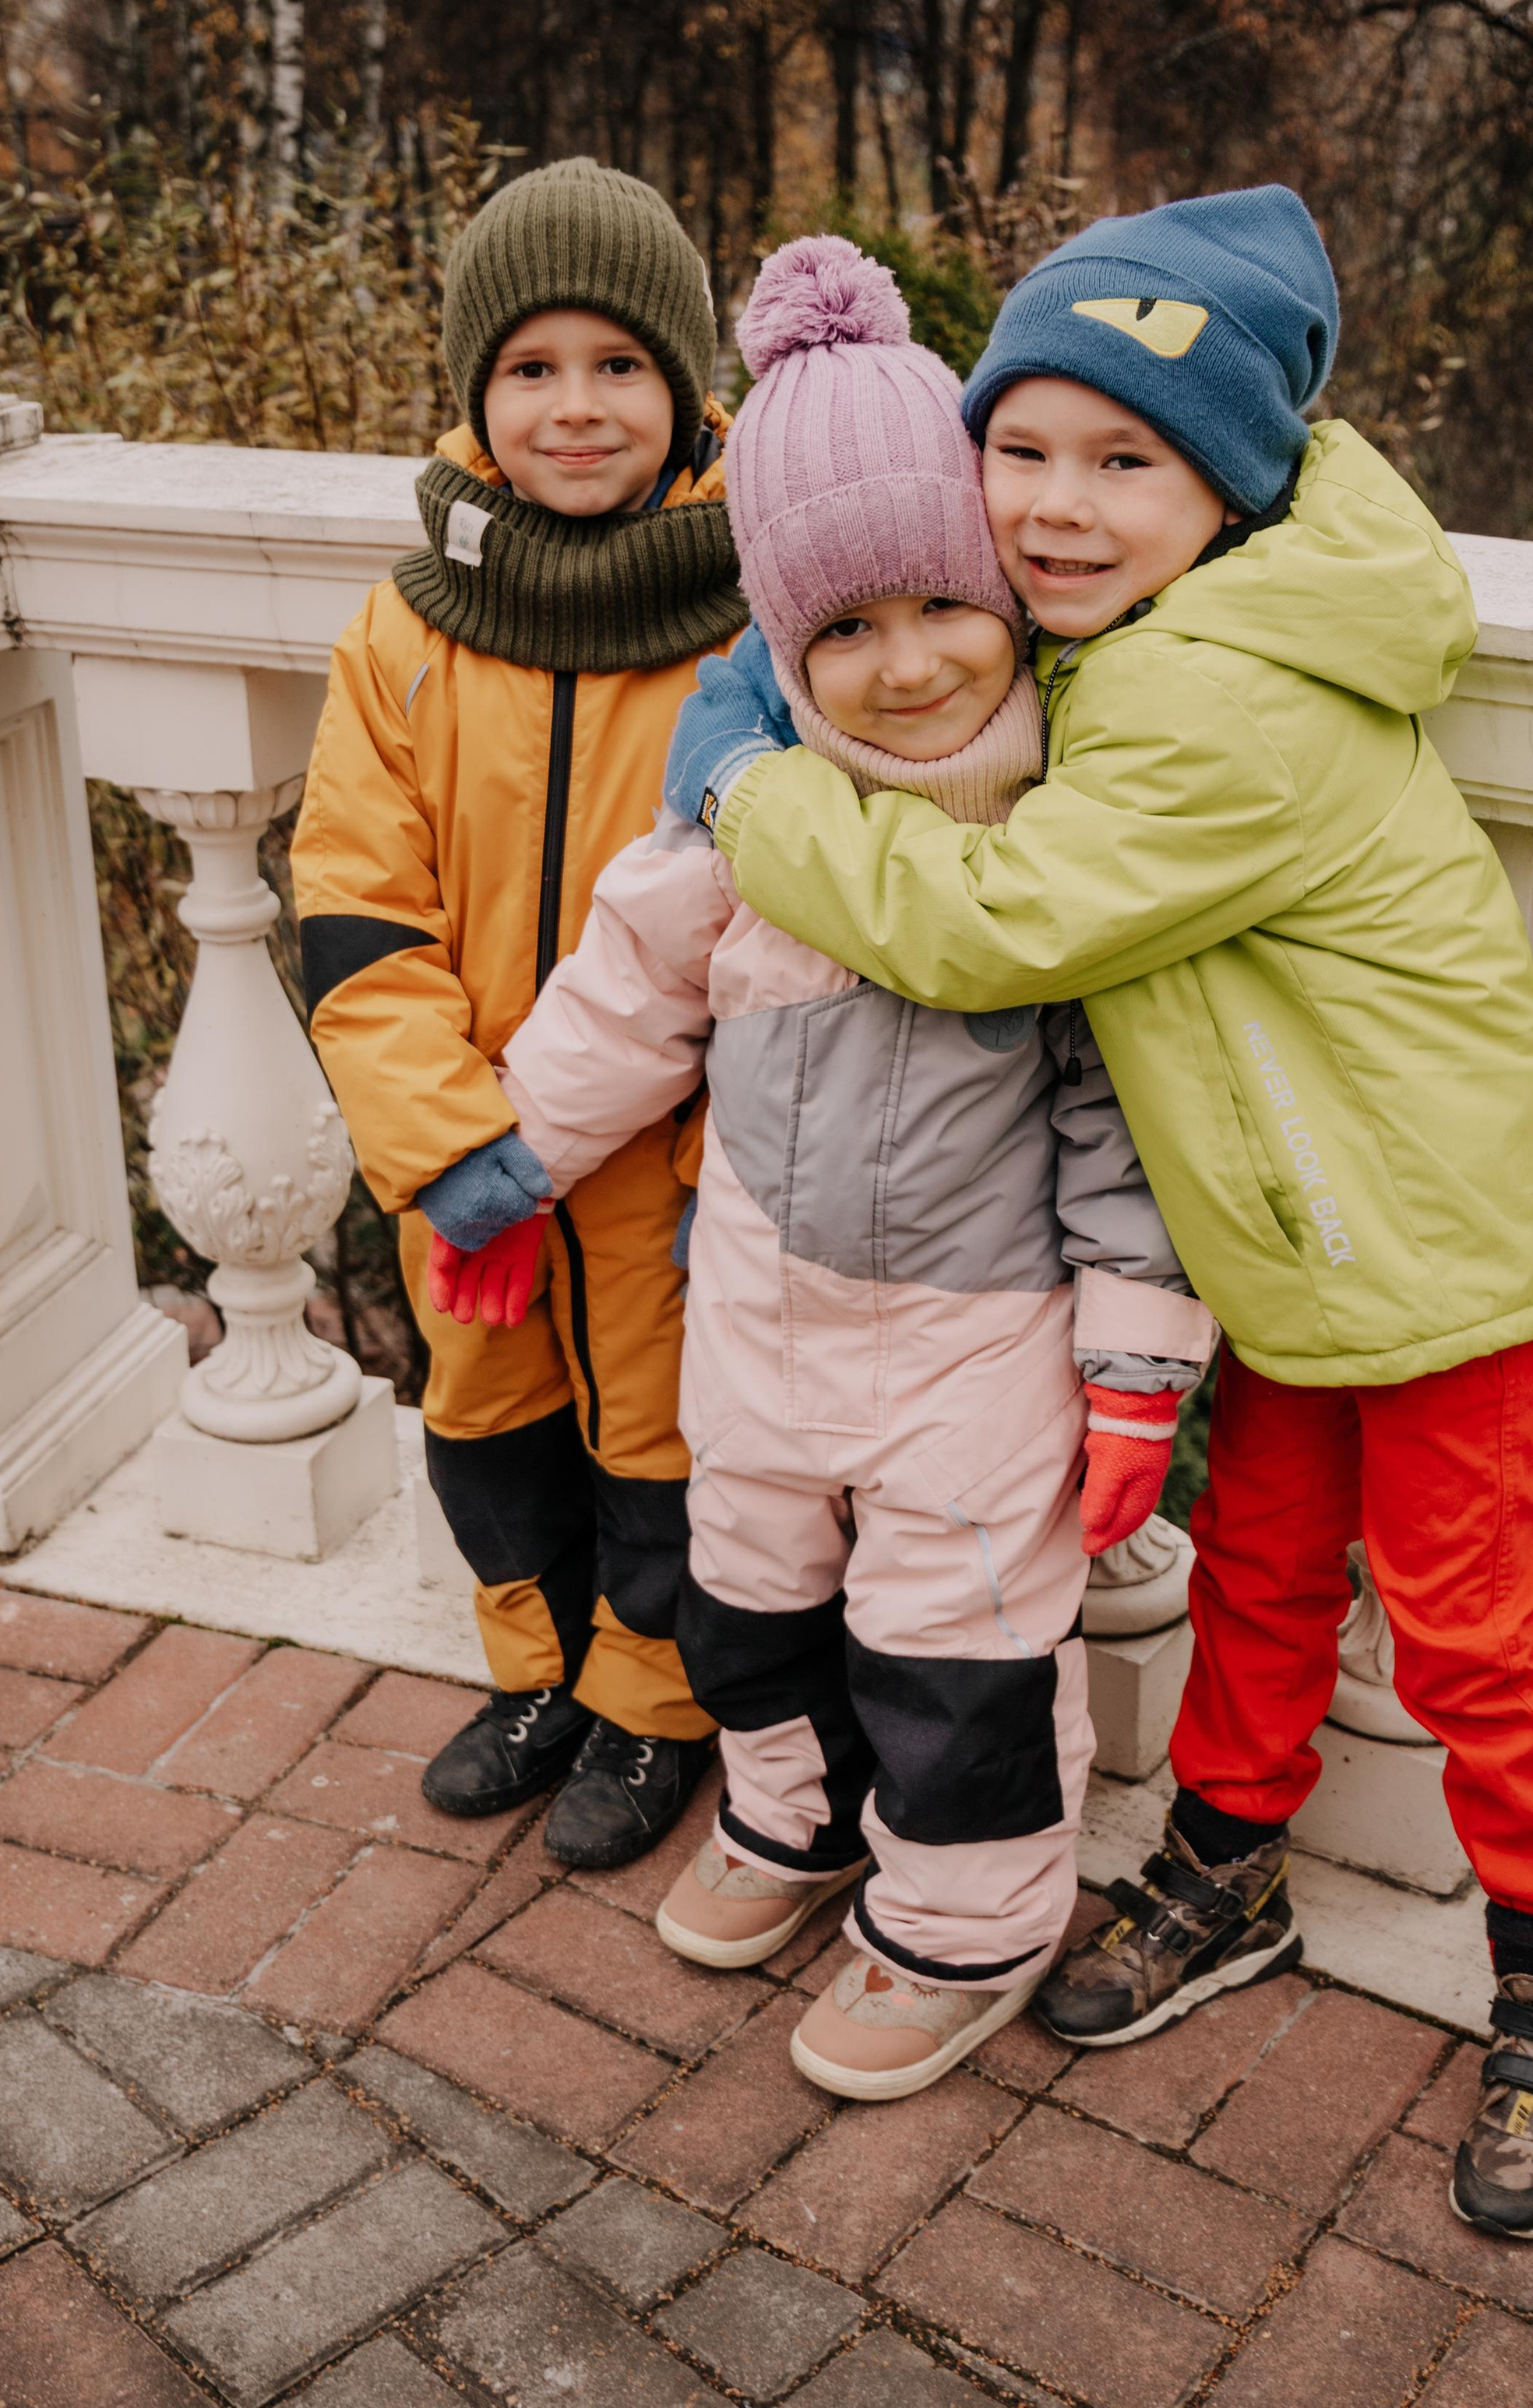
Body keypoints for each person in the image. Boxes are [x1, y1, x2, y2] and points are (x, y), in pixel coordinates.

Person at [667, 188, 1533, 2241]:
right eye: (1019, 449)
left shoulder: (1224, 700)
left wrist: (753, 781)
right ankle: (1230, 1862)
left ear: (1236, 492)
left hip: (1439, 1266)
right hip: (1296, 1257)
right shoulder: (1153, 642)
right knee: (1265, 1579)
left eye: (1130, 463)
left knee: (1468, 1636)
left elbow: (994, 921)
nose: (1056, 508)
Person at [491, 237, 1213, 2100]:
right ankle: (797, 1820)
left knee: (955, 1645)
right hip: (753, 1309)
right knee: (750, 1596)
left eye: (936, 610)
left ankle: (963, 1920)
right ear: (776, 644)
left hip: (970, 1342)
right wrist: (503, 1167)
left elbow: (1127, 1119)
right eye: (837, 633)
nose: (900, 671)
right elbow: (625, 990)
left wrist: (1136, 1363)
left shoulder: (1062, 845)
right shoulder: (751, 824)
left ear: (1000, 594)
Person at [291, 157, 742, 1871]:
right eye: (532, 368)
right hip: (473, 1155)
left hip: (663, 1161)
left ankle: (650, 1699)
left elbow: (781, 933)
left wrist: (722, 1154)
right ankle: (536, 1670)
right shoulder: (402, 636)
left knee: (665, 1434)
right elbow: (353, 909)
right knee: (485, 1418)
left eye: (618, 366)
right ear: (479, 391)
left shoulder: (752, 624)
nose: (575, 407)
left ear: (686, 389)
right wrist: (446, 1138)